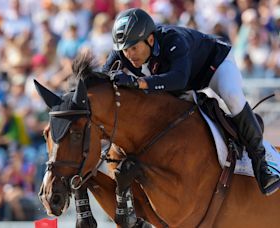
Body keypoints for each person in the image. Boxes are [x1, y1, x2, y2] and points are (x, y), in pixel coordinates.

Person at [102, 8, 280, 195]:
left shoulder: (173, 40)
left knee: (232, 96)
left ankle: (262, 163)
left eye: (134, 48)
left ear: (151, 39)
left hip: (214, 66)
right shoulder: (123, 51)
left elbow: (178, 79)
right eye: (125, 50)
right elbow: (101, 76)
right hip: (185, 81)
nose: (129, 55)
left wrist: (136, 82)